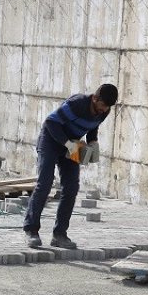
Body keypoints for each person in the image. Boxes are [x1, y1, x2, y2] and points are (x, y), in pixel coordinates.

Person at [23, 83, 119, 250]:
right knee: (44, 183)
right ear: (95, 98)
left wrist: (93, 143)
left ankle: (60, 234)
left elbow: (92, 126)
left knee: (72, 187)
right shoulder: (77, 104)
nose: (104, 110)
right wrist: (67, 144)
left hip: (72, 144)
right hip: (51, 140)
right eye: (103, 105)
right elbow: (51, 122)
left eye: (107, 107)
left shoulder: (104, 111)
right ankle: (31, 230)